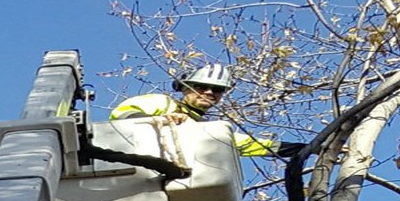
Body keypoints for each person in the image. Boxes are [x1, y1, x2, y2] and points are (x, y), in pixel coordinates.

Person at [109, 64, 305, 157]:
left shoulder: (208, 130)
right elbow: (122, 115)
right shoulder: (162, 102)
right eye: (201, 86)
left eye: (217, 89)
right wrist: (160, 120)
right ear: (186, 88)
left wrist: (308, 148)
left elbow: (253, 145)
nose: (209, 92)